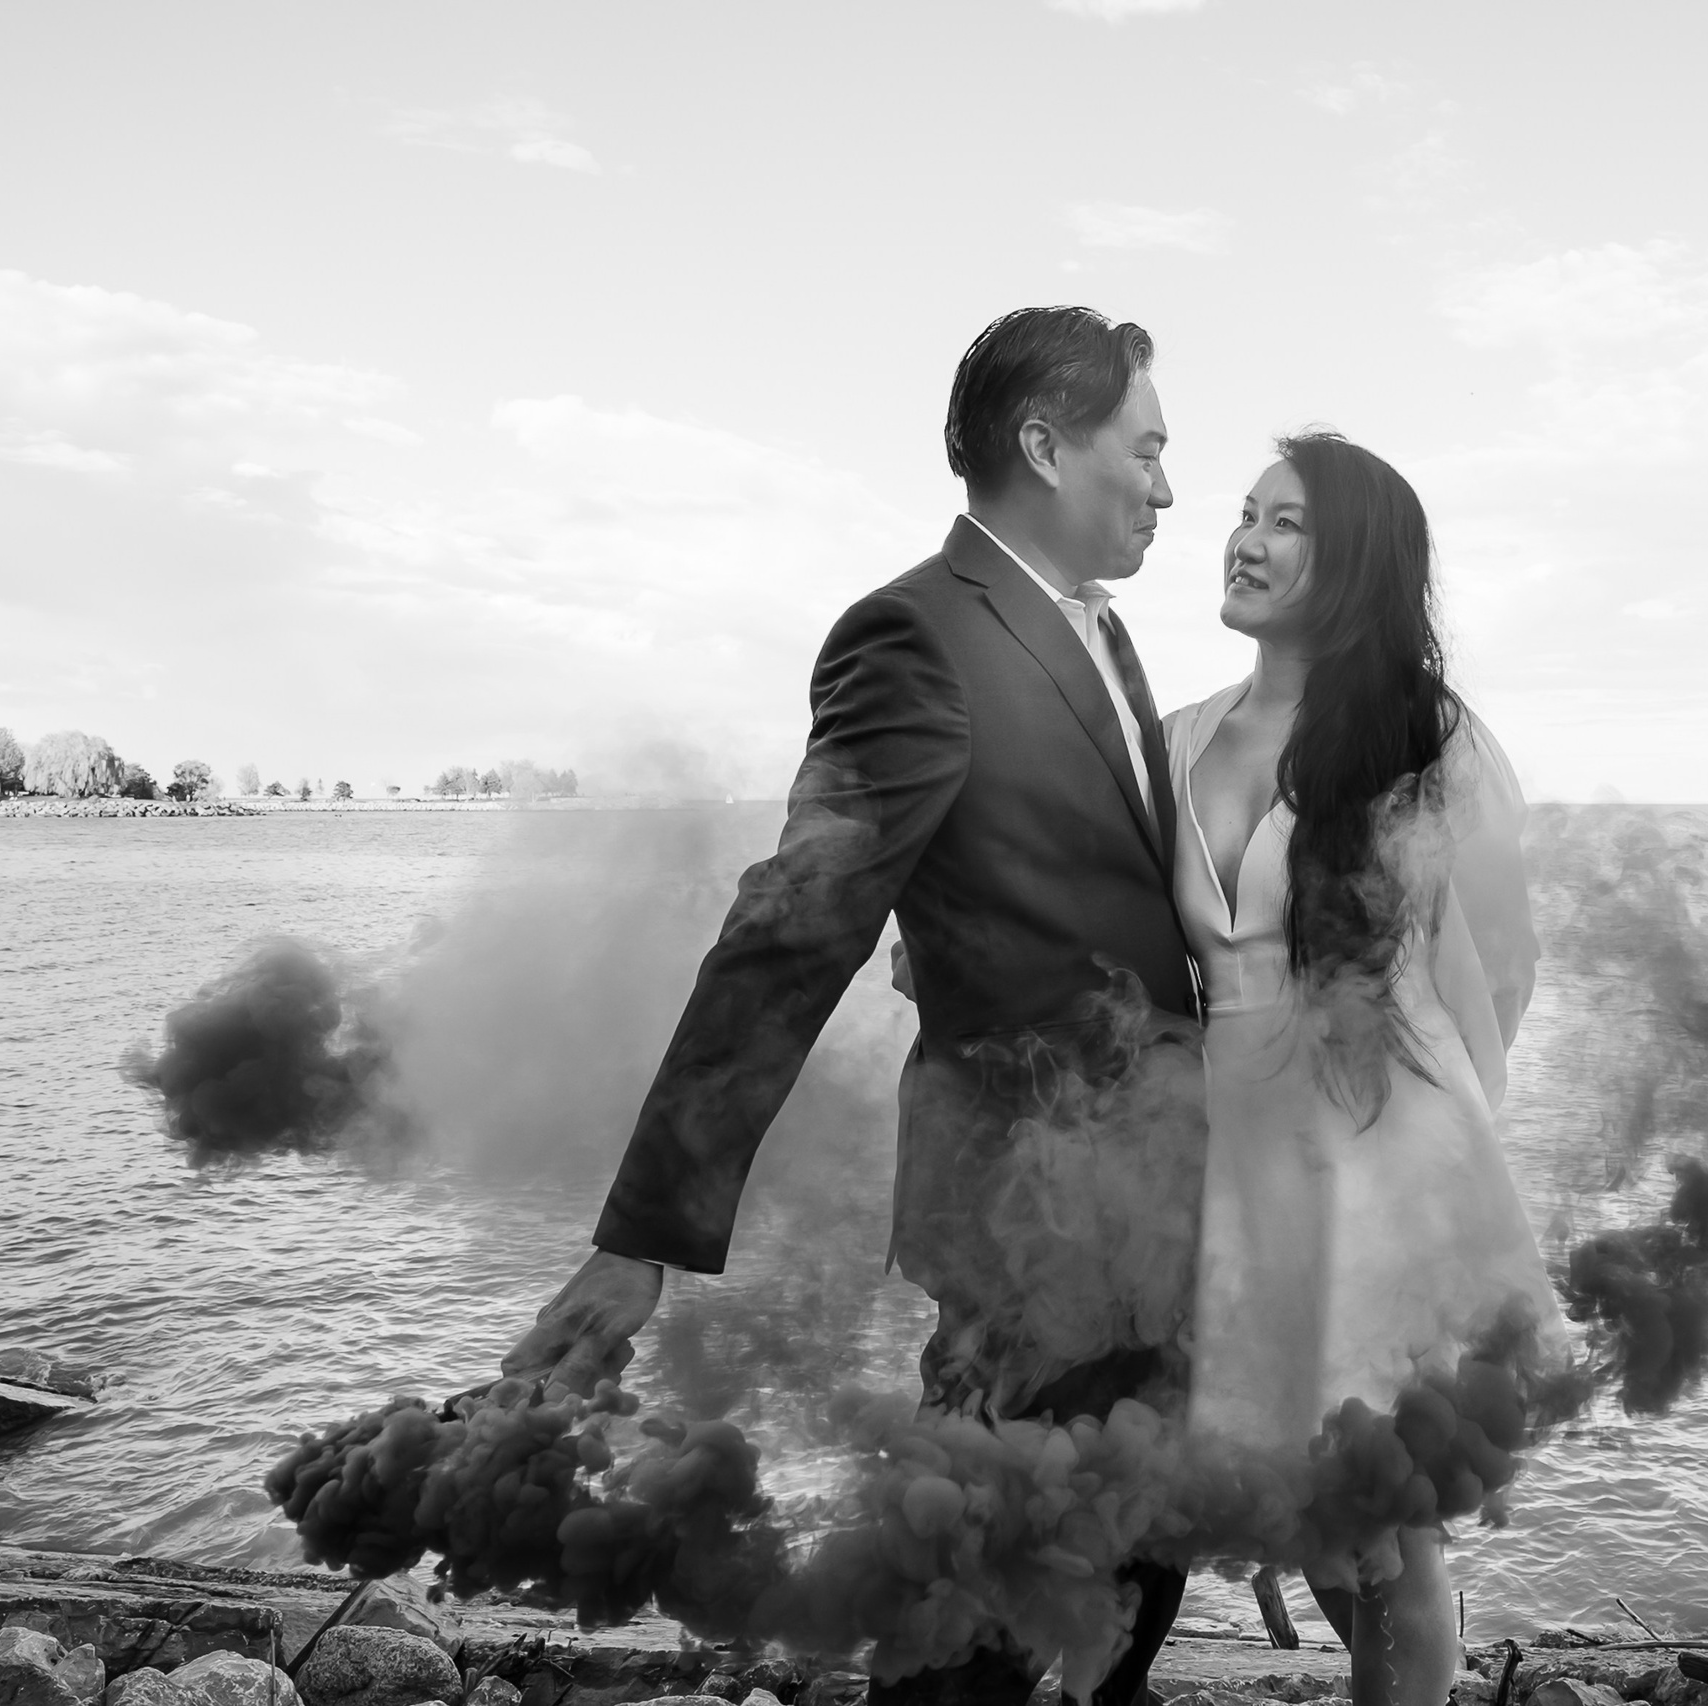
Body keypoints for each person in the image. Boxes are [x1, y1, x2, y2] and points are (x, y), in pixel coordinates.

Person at [501, 306, 1204, 1706]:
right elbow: (785, 936)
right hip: (1025, 1222)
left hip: (1152, 1200)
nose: (1171, 488)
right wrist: (646, 1238)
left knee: (1128, 1572)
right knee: (983, 1604)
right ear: (1046, 444)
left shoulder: (1109, 641)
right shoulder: (914, 640)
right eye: (1151, 447)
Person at [1165, 433, 1563, 1706]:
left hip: (1381, 1140)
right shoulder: (1171, 736)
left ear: (1356, 568)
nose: (1245, 537)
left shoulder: (1426, 739)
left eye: (1286, 522)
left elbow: (1504, 957)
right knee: (1301, 1496)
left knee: (1385, 1508)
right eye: (1243, 512)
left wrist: (1428, 1128)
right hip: (1237, 1153)